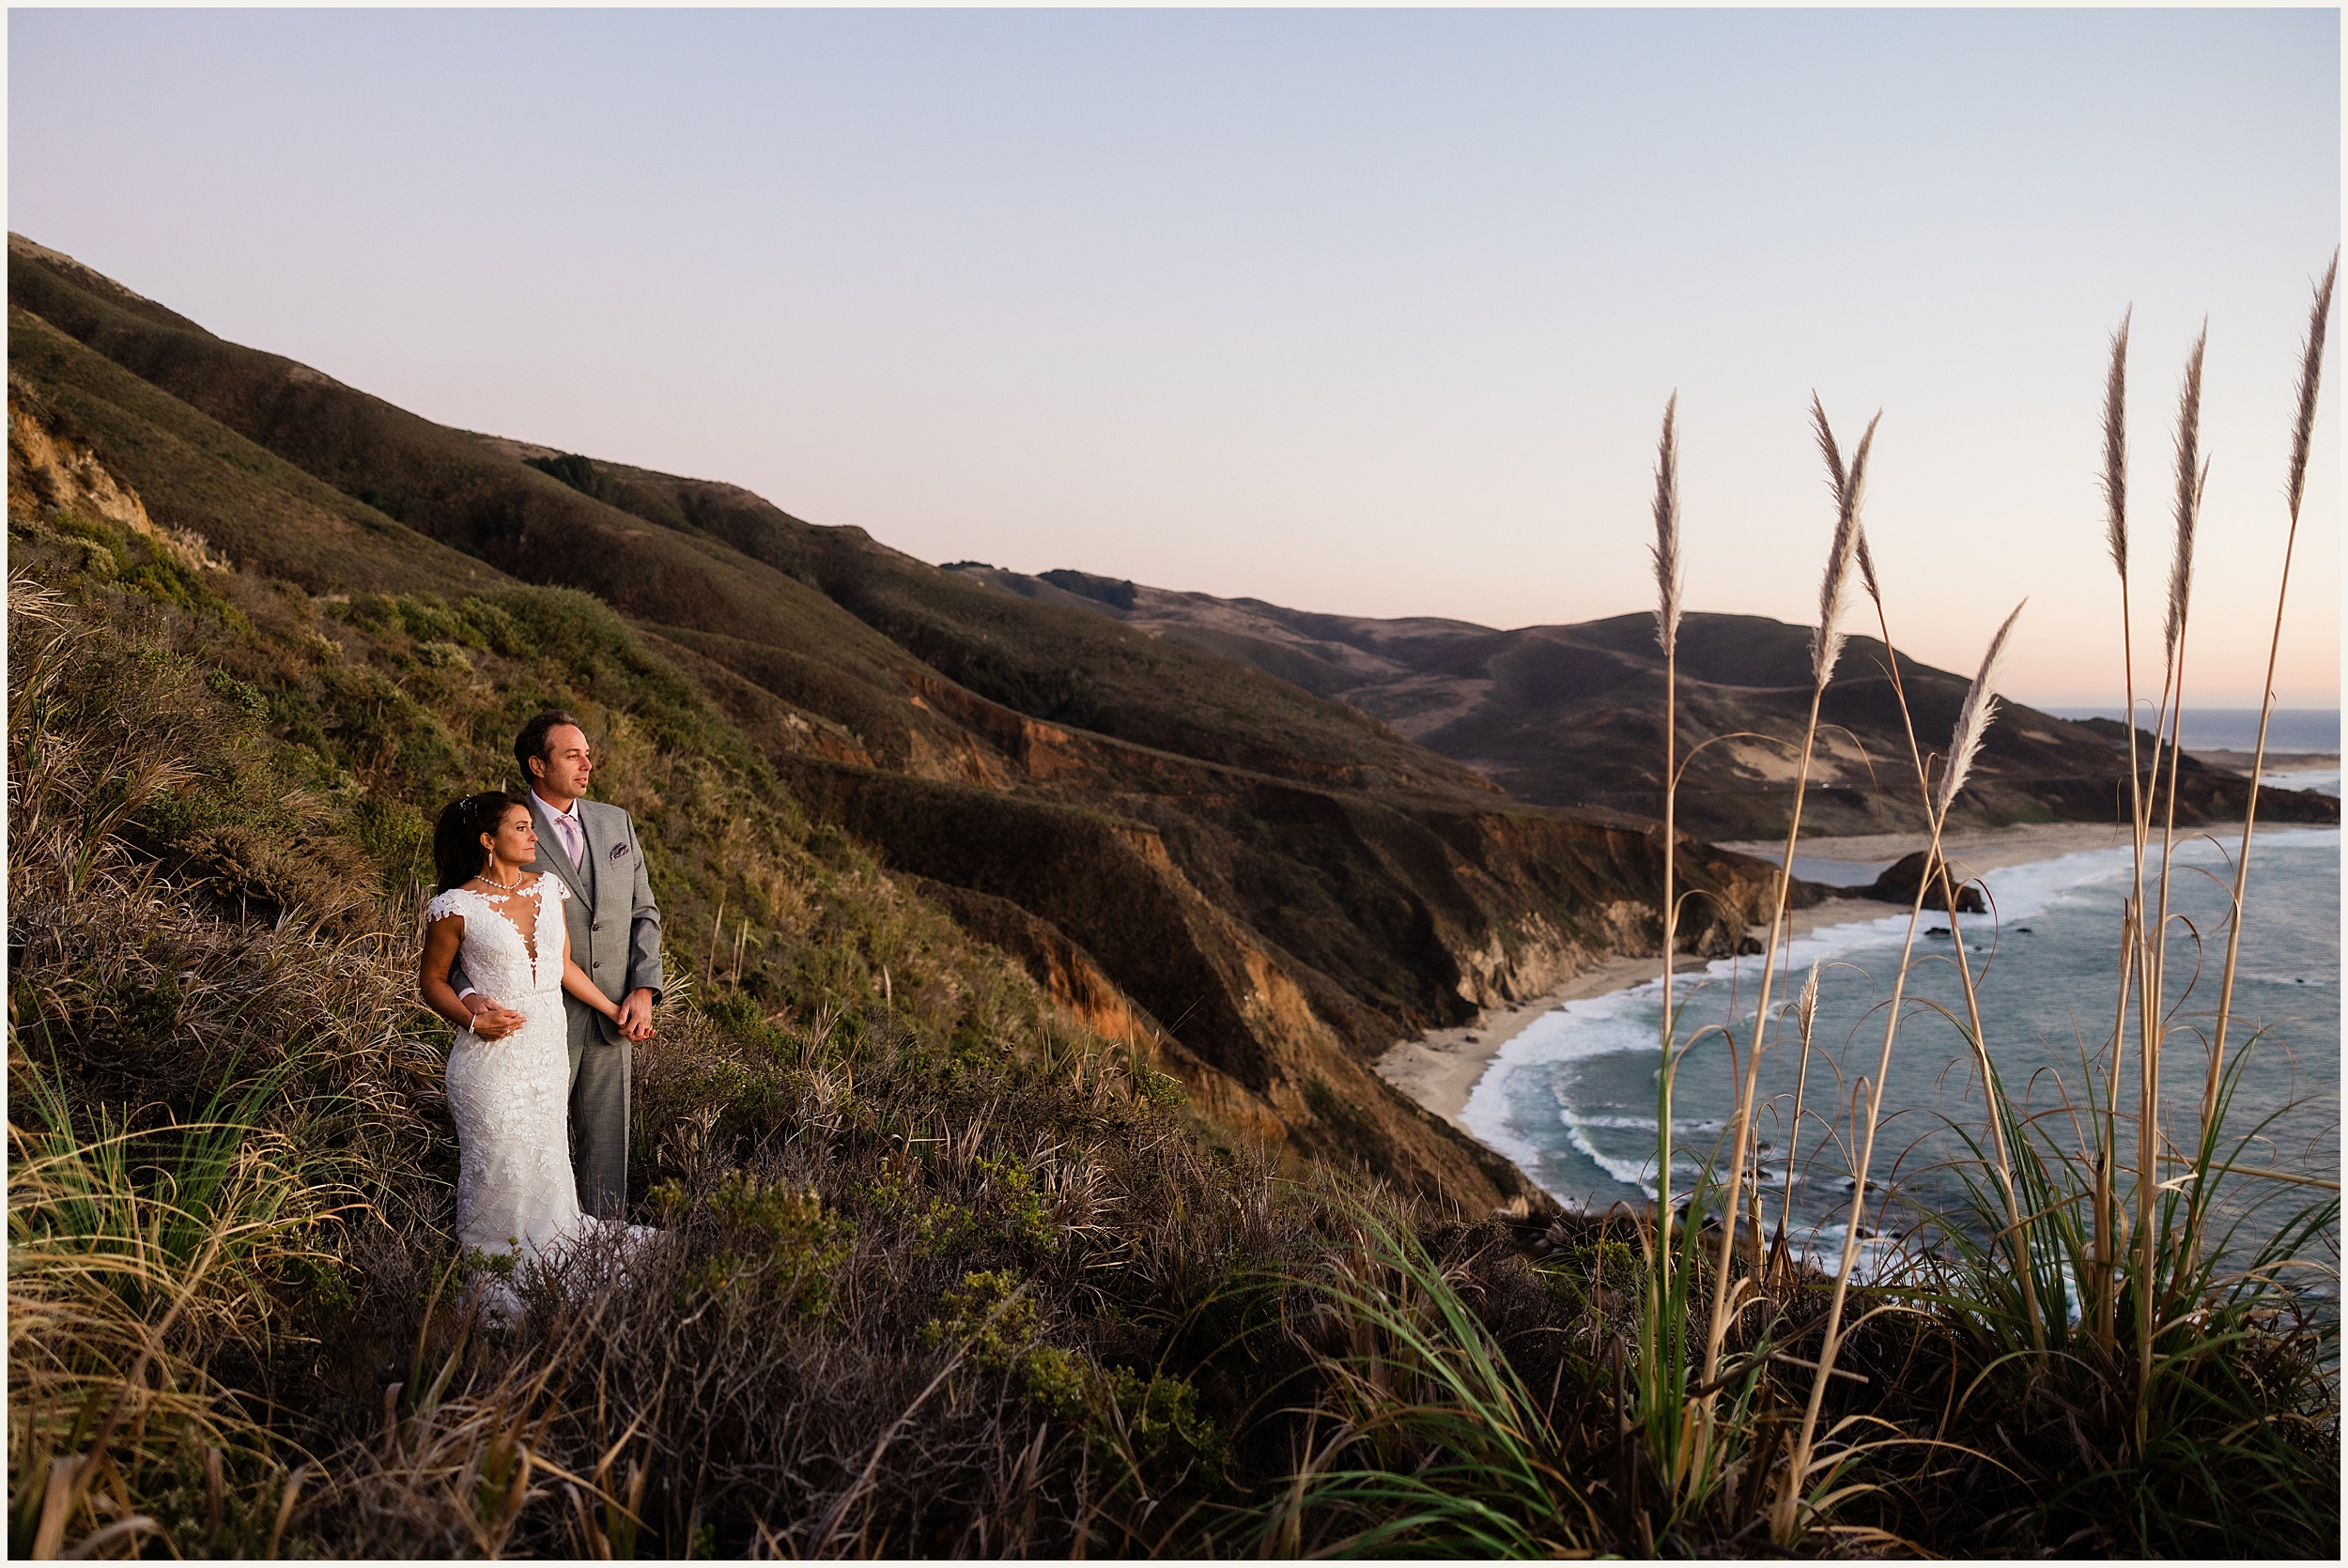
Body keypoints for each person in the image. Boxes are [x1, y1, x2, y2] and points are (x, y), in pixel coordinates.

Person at [418, 792, 634, 1302]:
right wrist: (473, 1018)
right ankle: (494, 1284)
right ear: (489, 841)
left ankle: (548, 1271)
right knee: (499, 1169)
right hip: (489, 1065)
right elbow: (431, 981)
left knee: (546, 1164)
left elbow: (562, 969)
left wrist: (612, 1010)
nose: (535, 835)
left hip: (546, 1056)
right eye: (521, 827)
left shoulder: (548, 889)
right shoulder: (455, 906)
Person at [452, 711, 663, 1221]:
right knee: (531, 1146)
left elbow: (644, 911)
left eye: (586, 753)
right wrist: (468, 996)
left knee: (607, 1146)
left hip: (615, 1014)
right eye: (572, 755)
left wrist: (643, 989)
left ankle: (598, 1256)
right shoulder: (506, 826)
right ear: (537, 765)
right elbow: (467, 923)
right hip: (537, 1024)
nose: (587, 764)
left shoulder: (617, 823)